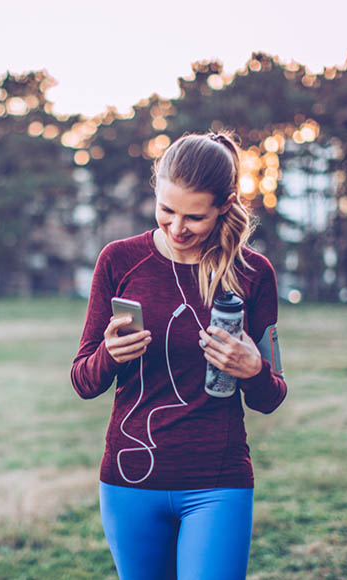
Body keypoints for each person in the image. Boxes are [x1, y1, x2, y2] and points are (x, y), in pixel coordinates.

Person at [71, 131, 288, 579]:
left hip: (217, 482)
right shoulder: (118, 261)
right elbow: (84, 381)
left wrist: (254, 370)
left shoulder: (253, 273)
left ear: (225, 205)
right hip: (129, 481)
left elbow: (270, 396)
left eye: (194, 217)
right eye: (166, 210)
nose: (176, 228)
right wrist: (109, 356)